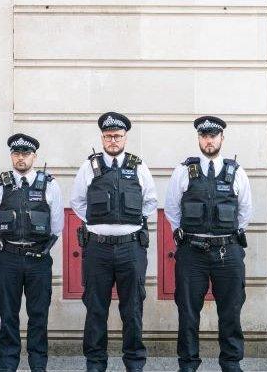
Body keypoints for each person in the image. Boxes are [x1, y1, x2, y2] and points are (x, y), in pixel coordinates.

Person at [70, 112, 157, 372]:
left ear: (125, 138)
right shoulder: (89, 167)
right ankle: (95, 364)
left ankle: (134, 364)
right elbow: (77, 201)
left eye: (117, 136)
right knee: (96, 309)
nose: (113, 140)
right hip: (97, 248)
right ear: (102, 138)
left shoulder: (138, 166)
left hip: (131, 247)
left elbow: (151, 200)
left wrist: (131, 220)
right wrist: (98, 221)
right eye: (108, 136)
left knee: (132, 309)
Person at [164, 116, 252, 372]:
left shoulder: (236, 171)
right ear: (199, 139)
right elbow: (171, 208)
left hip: (228, 251)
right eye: (204, 136)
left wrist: (227, 235)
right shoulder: (183, 171)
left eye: (213, 136)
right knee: (189, 312)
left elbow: (245, 210)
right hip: (192, 252)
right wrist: (185, 234)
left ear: (222, 139)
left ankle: (231, 363)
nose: (209, 140)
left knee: (231, 311)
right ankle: (188, 364)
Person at [0, 133, 64, 372]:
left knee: (38, 316)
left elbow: (57, 226)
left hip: (39, 259)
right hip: (8, 258)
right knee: (8, 315)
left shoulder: (49, 185)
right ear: (11, 155)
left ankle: (38, 366)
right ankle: (8, 366)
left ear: (34, 157)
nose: (21, 158)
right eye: (17, 153)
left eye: (26, 154)